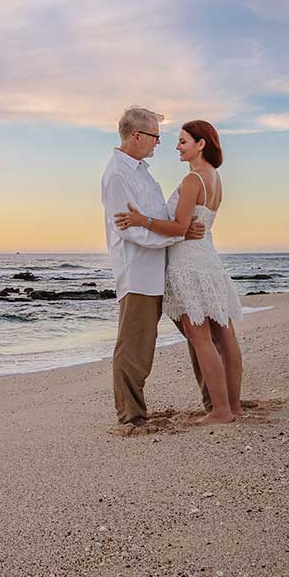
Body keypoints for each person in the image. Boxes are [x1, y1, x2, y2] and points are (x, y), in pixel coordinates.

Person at [114, 120, 244, 425]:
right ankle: (233, 406)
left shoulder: (193, 180)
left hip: (188, 263)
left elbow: (179, 228)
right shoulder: (215, 178)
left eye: (183, 141)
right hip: (209, 260)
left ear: (201, 144)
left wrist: (141, 220)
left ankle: (221, 411)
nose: (177, 146)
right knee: (225, 336)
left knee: (200, 338)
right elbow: (193, 226)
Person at [101, 106, 207, 430]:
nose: (159, 143)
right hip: (139, 274)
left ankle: (216, 400)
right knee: (135, 348)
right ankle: (131, 418)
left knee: (198, 332)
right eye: (155, 137)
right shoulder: (117, 174)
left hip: (166, 268)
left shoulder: (142, 172)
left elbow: (157, 218)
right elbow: (131, 231)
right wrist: (177, 234)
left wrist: (182, 228)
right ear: (136, 136)